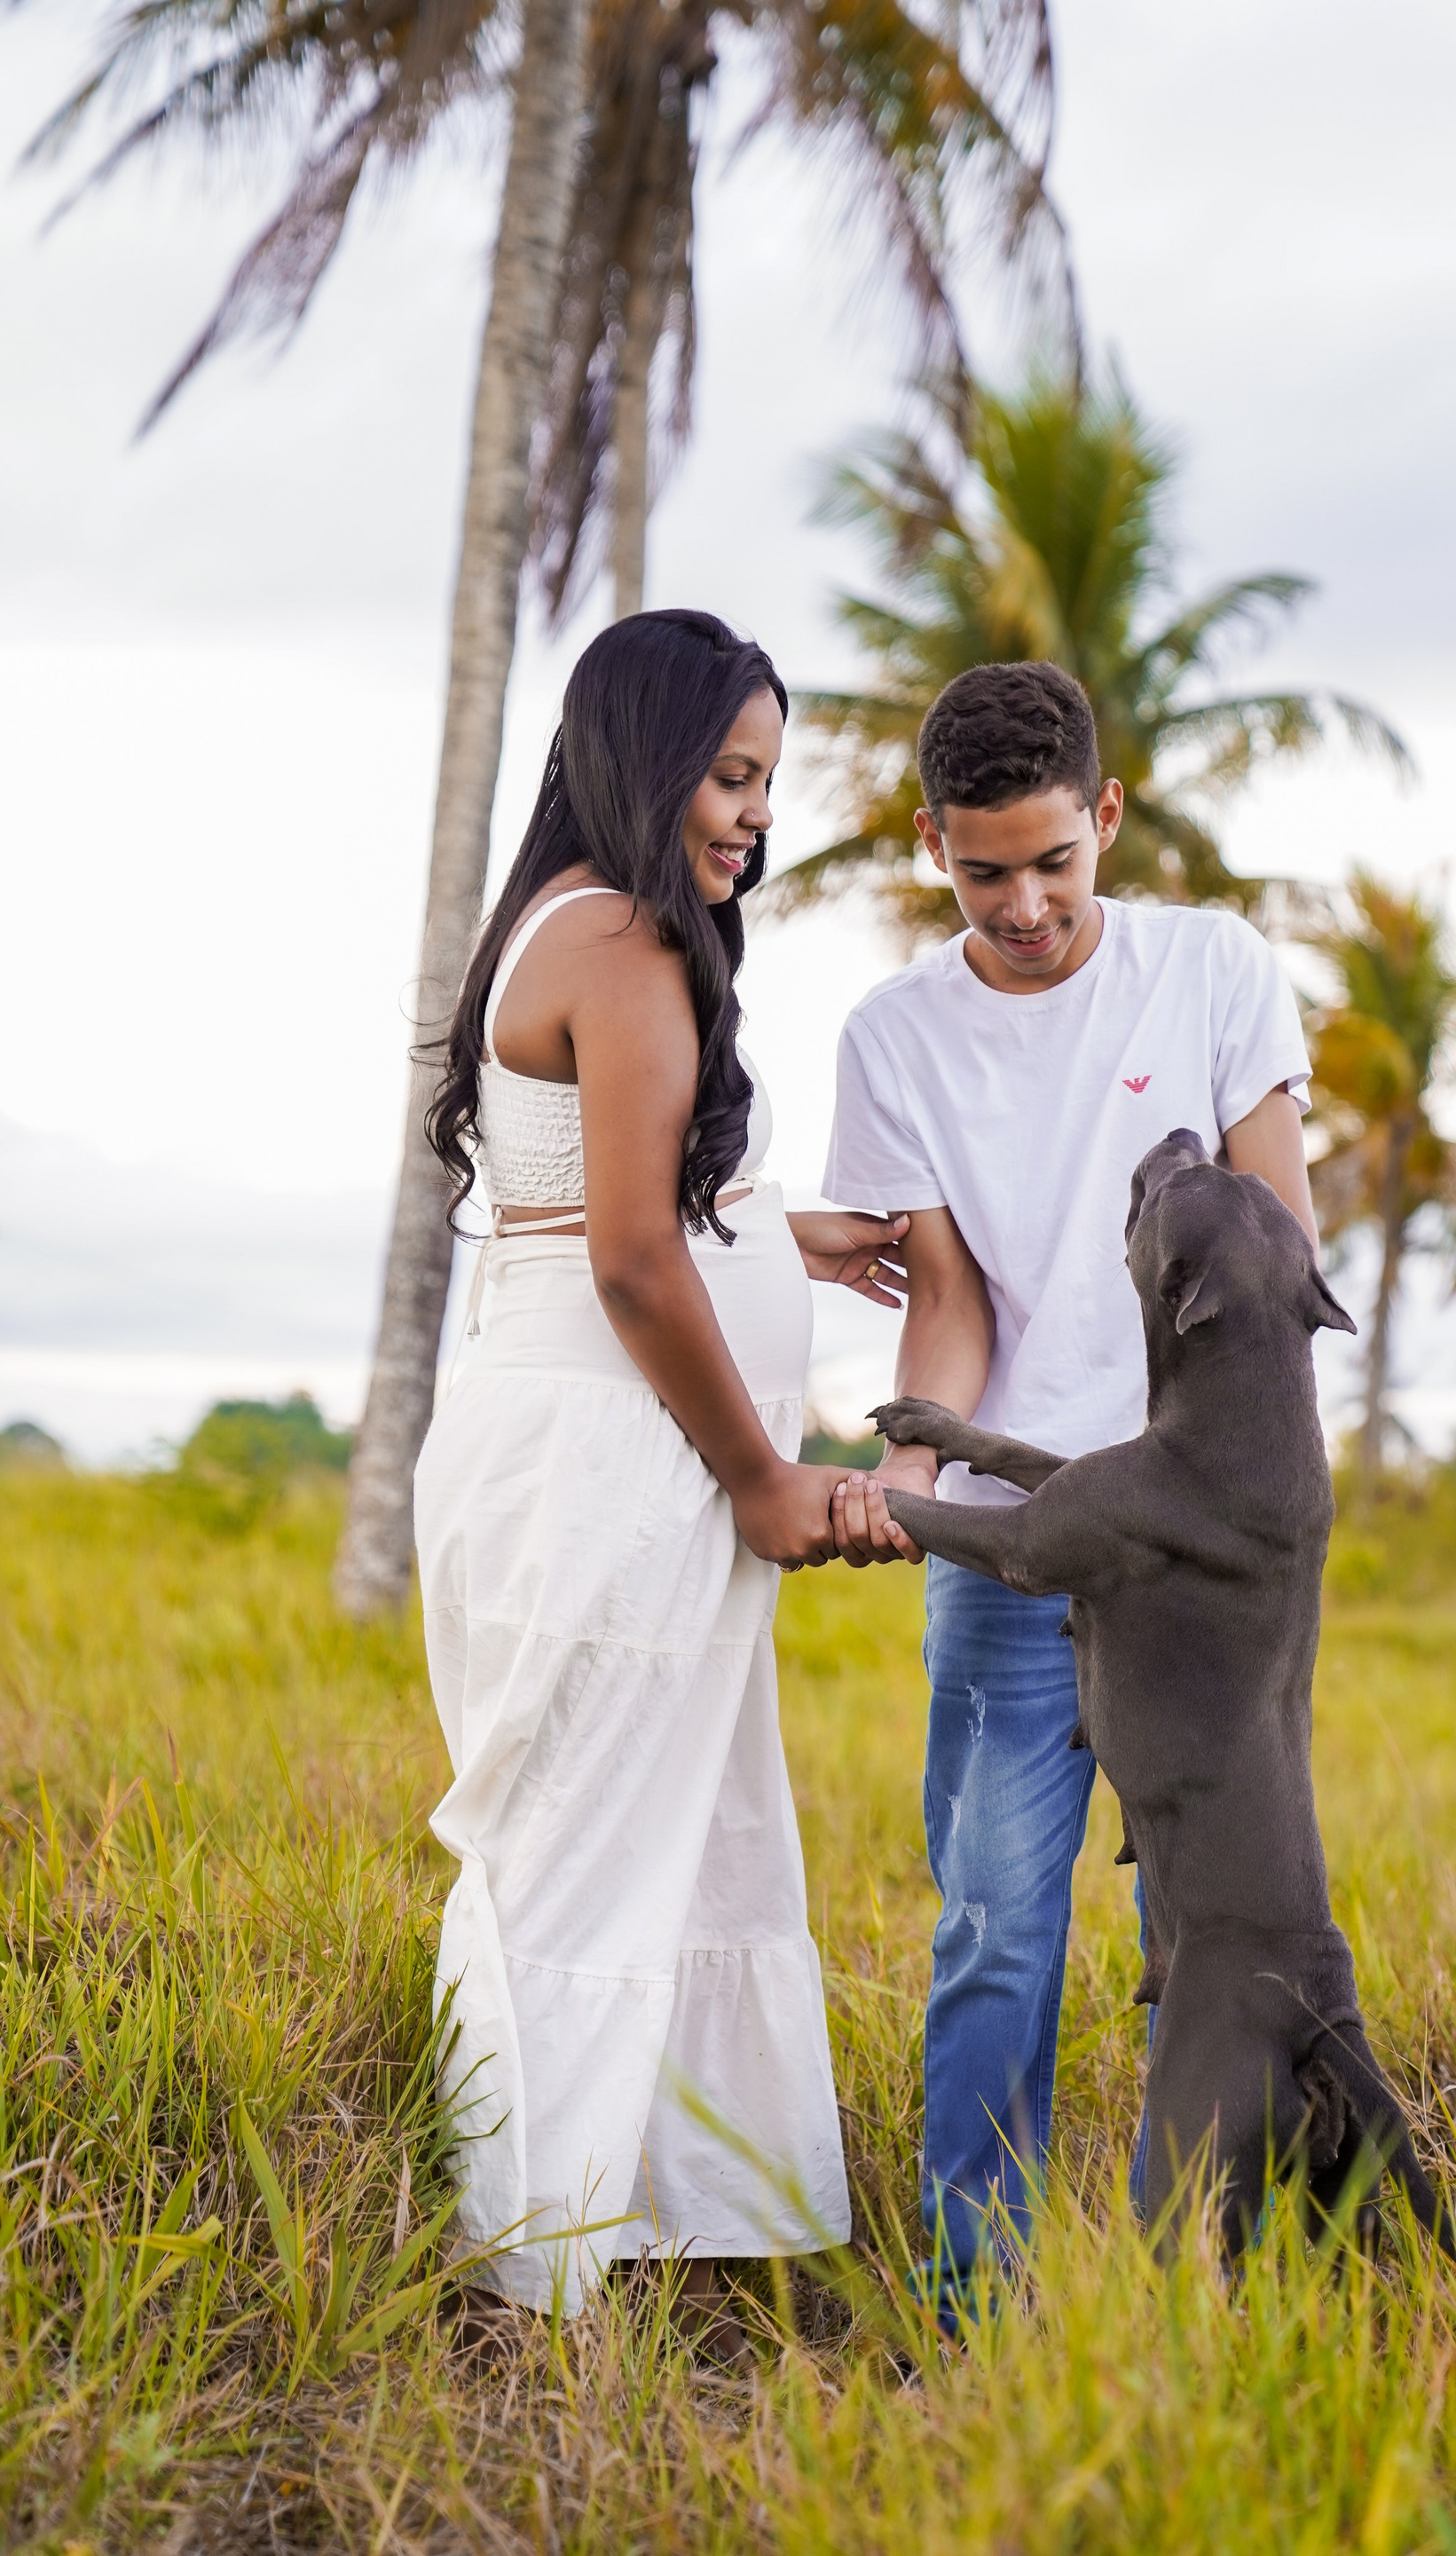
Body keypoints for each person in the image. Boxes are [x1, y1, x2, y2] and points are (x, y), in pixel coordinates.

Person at [415, 610, 909, 2325]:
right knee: (589, 1848)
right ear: (650, 756)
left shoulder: (565, 921)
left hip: (574, 1446)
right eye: (731, 774)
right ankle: (532, 2268)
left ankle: (662, 2219)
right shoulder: (626, 941)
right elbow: (629, 1260)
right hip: (612, 1470)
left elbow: (591, 1202)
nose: (756, 814)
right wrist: (767, 1475)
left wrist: (778, 1230)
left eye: (767, 780)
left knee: (670, 1836)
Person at [822, 659, 1318, 2306]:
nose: (1026, 906)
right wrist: (906, 1467)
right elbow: (953, 1307)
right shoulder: (895, 1038)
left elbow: (1277, 1261)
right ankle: (978, 2298)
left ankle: (1210, 2290)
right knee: (996, 1929)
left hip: (1204, 1564)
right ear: (932, 847)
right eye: (985, 873)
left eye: (1053, 860)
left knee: (1217, 1938)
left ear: (1105, 816)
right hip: (1015, 1553)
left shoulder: (1213, 969)